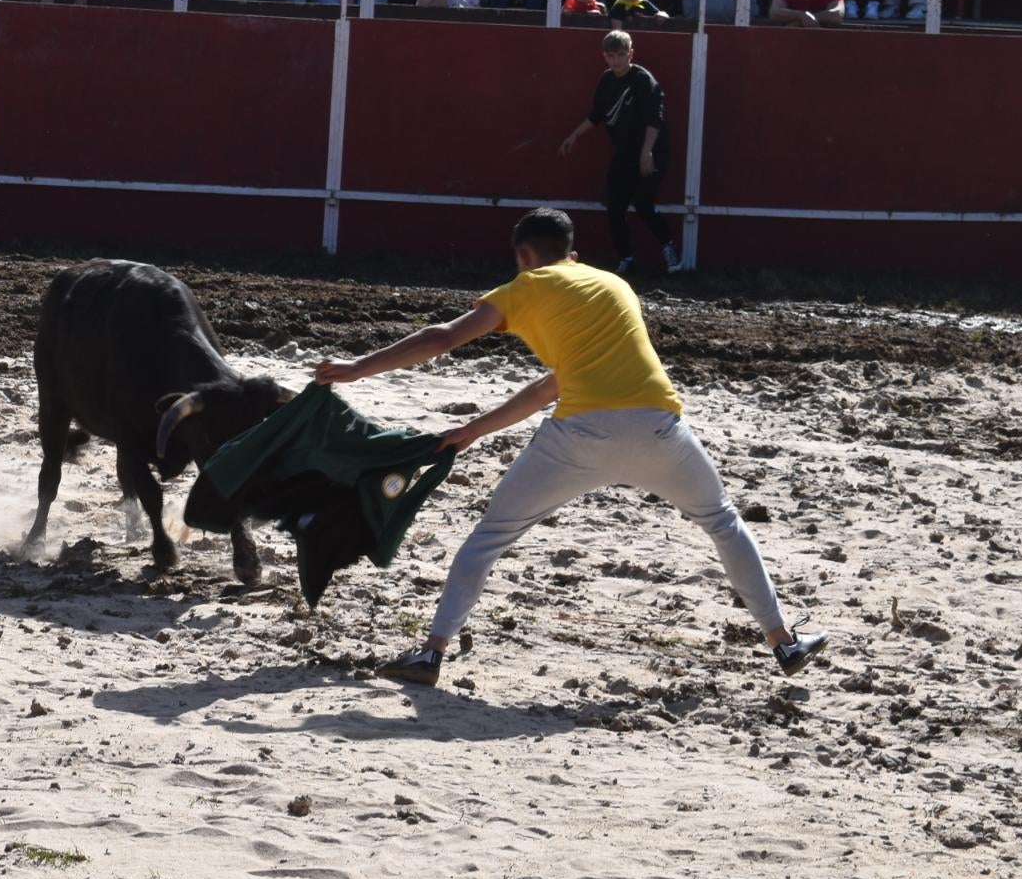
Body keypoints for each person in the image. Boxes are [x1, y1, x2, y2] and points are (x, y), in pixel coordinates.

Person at [312, 206, 828, 689]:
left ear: (522, 256)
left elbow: (443, 337)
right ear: (573, 254)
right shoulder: (614, 285)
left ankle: (431, 654)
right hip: (658, 428)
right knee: (721, 521)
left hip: (579, 436)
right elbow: (550, 385)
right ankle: (783, 643)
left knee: (489, 536)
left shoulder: (523, 288)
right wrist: (475, 430)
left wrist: (357, 369)